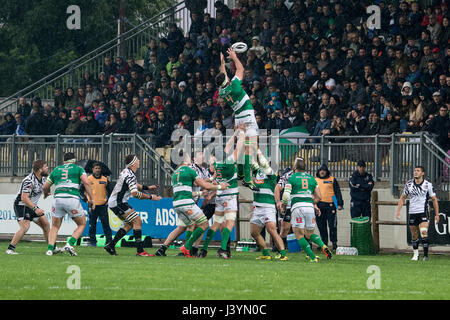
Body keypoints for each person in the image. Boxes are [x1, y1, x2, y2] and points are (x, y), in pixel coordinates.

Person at [154, 154, 228, 258]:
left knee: (187, 226)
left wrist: (204, 188)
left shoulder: (176, 173)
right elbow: (201, 184)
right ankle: (187, 247)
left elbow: (192, 186)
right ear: (187, 160)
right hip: (187, 203)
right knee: (204, 224)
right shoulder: (190, 170)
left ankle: (163, 248)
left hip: (177, 203)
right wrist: (219, 186)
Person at [216, 47, 262, 191]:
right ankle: (248, 179)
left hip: (239, 118)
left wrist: (223, 64)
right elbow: (240, 69)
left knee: (243, 148)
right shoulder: (234, 86)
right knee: (250, 148)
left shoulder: (222, 91)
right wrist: (234, 57)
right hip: (248, 117)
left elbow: (223, 76)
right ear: (227, 80)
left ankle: (242, 174)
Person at [200, 127, 245, 259]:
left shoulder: (217, 164)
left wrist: (235, 133)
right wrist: (242, 133)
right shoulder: (230, 161)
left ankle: (204, 249)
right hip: (230, 195)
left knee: (216, 223)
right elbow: (238, 147)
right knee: (230, 223)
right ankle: (223, 249)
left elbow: (228, 147)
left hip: (219, 196)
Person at [104, 154, 161, 256]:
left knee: (130, 224)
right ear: (133, 163)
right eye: (137, 159)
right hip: (118, 202)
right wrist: (151, 197)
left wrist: (147, 188)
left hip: (117, 202)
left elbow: (134, 184)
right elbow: (135, 194)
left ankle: (111, 245)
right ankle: (140, 251)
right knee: (137, 220)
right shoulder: (130, 174)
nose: (139, 161)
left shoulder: (127, 172)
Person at [281, 157, 333, 262]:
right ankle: (323, 246)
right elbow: (319, 197)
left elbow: (286, 195)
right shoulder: (311, 178)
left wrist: (283, 206)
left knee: (299, 234)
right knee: (309, 234)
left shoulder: (292, 178)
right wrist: (310, 202)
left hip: (297, 207)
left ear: (295, 167)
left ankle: (313, 257)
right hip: (309, 207)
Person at [43, 153, 95, 256]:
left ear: (64, 160)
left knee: (54, 226)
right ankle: (69, 244)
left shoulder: (56, 169)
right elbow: (87, 182)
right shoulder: (78, 168)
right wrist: (91, 199)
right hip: (71, 199)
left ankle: (50, 249)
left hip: (57, 199)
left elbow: (45, 186)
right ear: (74, 160)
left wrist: (46, 194)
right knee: (81, 224)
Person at [250, 150, 288, 261]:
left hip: (268, 206)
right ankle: (266, 253)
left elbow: (263, 163)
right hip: (257, 206)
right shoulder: (258, 172)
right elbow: (251, 161)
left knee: (271, 230)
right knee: (254, 232)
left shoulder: (272, 173)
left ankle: (283, 253)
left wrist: (256, 149)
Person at [395, 166, 439, 261]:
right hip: (412, 212)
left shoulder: (428, 185)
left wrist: (437, 214)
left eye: (418, 171)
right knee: (414, 235)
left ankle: (426, 256)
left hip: (423, 212)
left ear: (422, 173)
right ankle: (416, 255)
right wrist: (398, 210)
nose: (415, 172)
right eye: (415, 171)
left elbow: (434, 199)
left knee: (423, 232)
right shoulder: (409, 184)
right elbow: (403, 197)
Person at [6, 160, 50, 255]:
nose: (47, 168)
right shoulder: (29, 180)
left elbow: (44, 188)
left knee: (45, 224)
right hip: (22, 205)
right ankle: (10, 249)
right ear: (39, 170)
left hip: (31, 205)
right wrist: (36, 209)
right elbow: (24, 198)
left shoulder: (42, 179)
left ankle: (51, 248)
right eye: (45, 167)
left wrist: (46, 193)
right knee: (25, 227)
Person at [82, 163, 114, 246]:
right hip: (92, 205)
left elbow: (111, 191)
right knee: (92, 225)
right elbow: (80, 191)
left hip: (102, 205)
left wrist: (108, 200)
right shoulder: (88, 179)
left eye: (99, 168)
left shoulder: (105, 179)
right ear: (92, 169)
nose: (97, 170)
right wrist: (86, 200)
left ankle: (109, 242)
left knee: (106, 224)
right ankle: (93, 242)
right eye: (96, 168)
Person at [315, 164, 344, 251]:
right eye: (320, 170)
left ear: (327, 171)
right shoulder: (315, 180)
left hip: (330, 206)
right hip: (319, 206)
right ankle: (324, 244)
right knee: (321, 226)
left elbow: (337, 192)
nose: (322, 172)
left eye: (324, 170)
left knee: (332, 225)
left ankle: (334, 243)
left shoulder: (332, 179)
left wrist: (339, 204)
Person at [275, 167, 294, 252]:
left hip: (299, 204)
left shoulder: (306, 177)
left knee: (303, 228)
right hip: (287, 205)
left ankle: (308, 248)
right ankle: (280, 246)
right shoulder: (286, 177)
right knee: (284, 227)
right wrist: (279, 202)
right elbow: (277, 188)